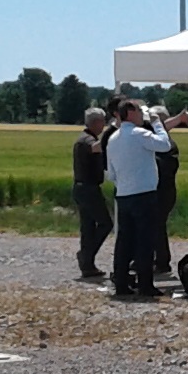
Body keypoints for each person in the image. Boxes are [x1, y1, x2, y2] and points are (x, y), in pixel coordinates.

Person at [105, 99, 185, 297]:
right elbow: (164, 145)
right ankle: (145, 284)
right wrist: (157, 122)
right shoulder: (140, 134)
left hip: (123, 194)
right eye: (140, 112)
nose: (143, 115)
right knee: (145, 241)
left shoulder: (113, 139)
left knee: (124, 241)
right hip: (144, 193)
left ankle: (122, 283)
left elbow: (111, 174)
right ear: (130, 113)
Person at [71, 107, 113, 280]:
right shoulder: (86, 140)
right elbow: (96, 148)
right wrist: (113, 131)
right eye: (103, 122)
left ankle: (88, 265)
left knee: (87, 228)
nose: (103, 125)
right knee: (105, 224)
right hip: (88, 188)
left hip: (83, 188)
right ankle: (85, 255)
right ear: (96, 122)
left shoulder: (85, 138)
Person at [149, 105, 183, 277]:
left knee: (157, 226)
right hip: (162, 190)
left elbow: (165, 168)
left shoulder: (167, 145)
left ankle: (162, 262)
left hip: (163, 191)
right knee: (154, 225)